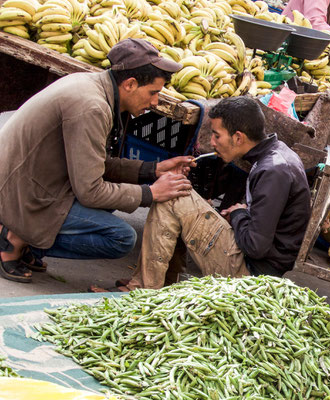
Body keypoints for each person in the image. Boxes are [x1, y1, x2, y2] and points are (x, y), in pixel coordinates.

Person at [0, 38, 194, 284]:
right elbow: (90, 191)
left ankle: (26, 239)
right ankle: (13, 237)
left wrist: (153, 170)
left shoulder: (94, 86)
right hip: (19, 192)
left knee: (115, 200)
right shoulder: (92, 107)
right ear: (130, 84)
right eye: (153, 93)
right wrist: (151, 193)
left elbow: (99, 164)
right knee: (120, 238)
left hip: (32, 179)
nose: (155, 102)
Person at [110, 96, 312, 291]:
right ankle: (162, 284)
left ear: (238, 137)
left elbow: (255, 246)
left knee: (174, 194)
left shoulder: (272, 171)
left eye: (217, 135)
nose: (212, 143)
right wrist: (229, 212)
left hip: (253, 276)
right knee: (178, 191)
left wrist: (238, 214)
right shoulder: (276, 154)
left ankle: (144, 289)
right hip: (259, 263)